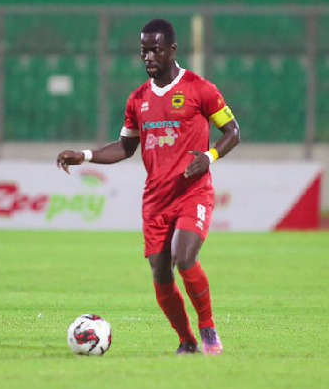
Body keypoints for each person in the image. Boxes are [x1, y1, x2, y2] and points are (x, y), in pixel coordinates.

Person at [57, 19, 240, 356]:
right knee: (161, 275)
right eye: (144, 51)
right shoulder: (137, 99)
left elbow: (233, 132)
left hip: (192, 192)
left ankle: (207, 326)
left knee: (184, 259)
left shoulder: (200, 89)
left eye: (155, 49)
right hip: (155, 201)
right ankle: (186, 340)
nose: (149, 57)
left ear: (172, 49)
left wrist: (210, 157)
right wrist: (83, 155)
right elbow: (126, 147)